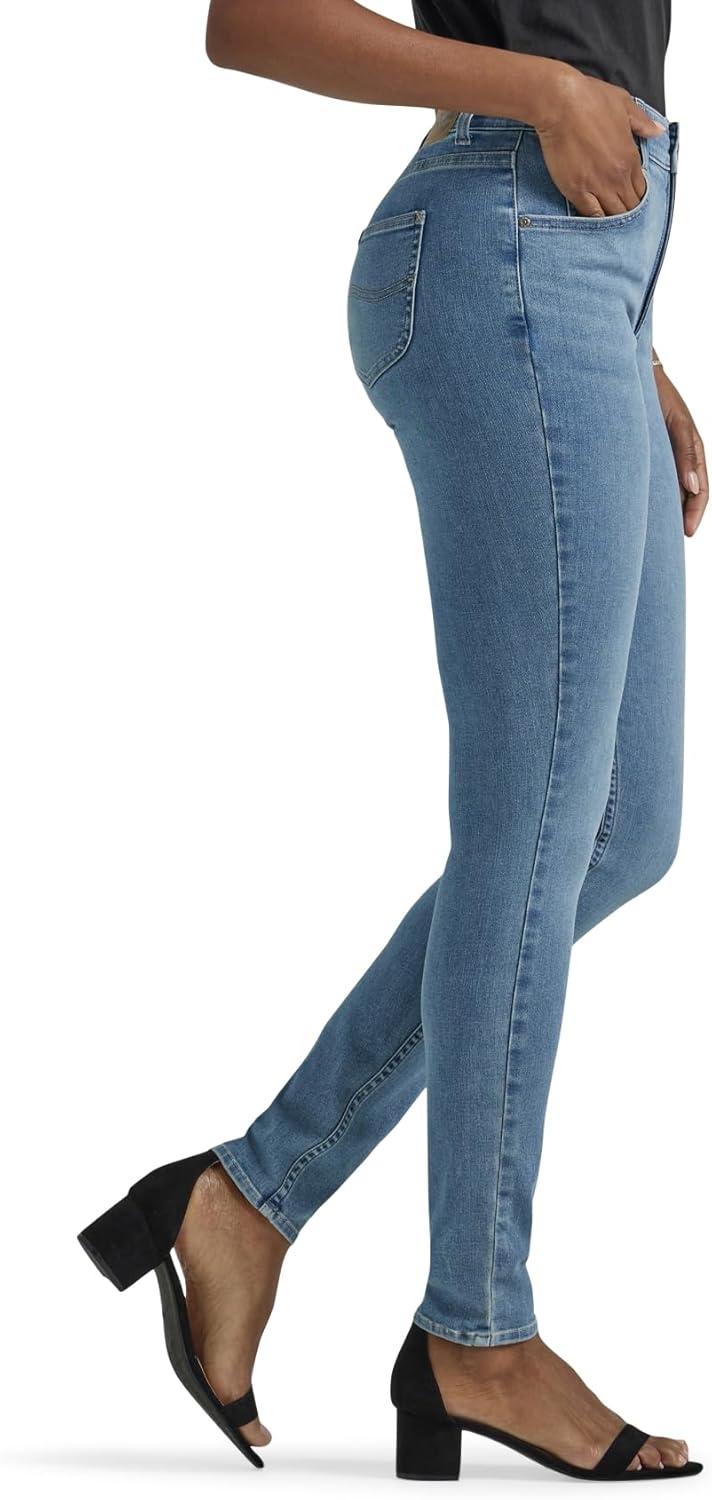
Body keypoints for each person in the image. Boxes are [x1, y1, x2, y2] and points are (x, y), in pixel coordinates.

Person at [79, 1, 706, 1481]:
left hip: (585, 276)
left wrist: (634, 341)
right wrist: (540, 92)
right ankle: (477, 1331)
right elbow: (252, 22)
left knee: (622, 830)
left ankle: (246, 1196)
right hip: (505, 242)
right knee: (533, 828)